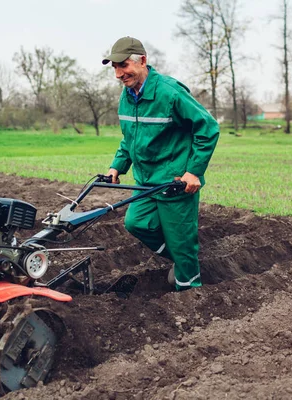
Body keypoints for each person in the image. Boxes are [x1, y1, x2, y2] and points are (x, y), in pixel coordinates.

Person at [102, 36, 219, 291]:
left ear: (142, 61)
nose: (119, 74)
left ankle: (191, 294)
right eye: (115, 67)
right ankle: (182, 262)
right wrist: (117, 166)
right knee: (136, 223)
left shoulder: (169, 92)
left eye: (124, 65)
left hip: (175, 181)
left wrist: (193, 172)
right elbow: (130, 139)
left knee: (181, 242)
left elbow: (208, 127)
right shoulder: (128, 96)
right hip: (146, 181)